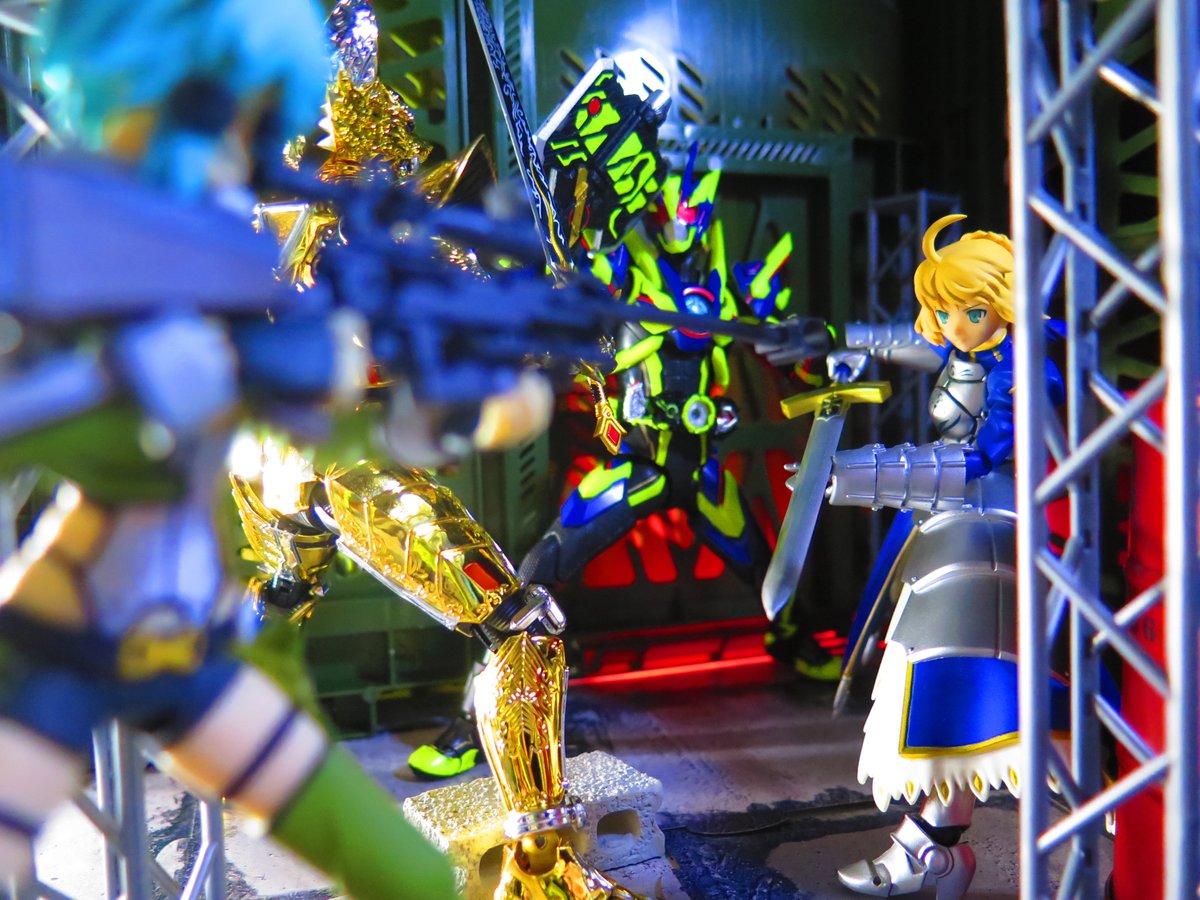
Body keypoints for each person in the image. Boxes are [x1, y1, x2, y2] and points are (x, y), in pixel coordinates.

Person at [823, 214, 1063, 897]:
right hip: (954, 532)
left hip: (996, 537)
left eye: (973, 311)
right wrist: (842, 337)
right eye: (945, 309)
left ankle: (929, 850)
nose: (956, 326)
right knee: (948, 696)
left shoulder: (1027, 374)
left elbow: (978, 459)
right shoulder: (975, 354)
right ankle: (935, 852)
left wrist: (859, 474)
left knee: (965, 693)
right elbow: (923, 347)